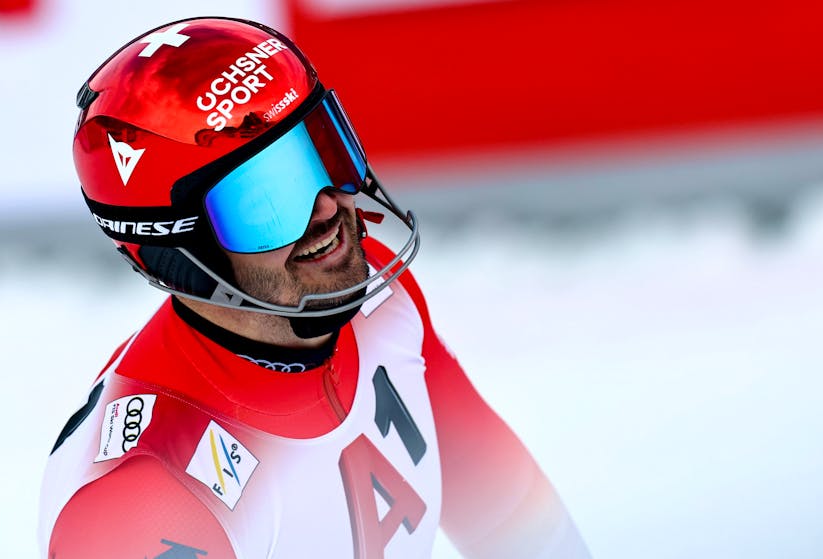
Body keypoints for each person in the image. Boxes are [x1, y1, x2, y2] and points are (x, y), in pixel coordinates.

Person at [38, 17, 591, 559]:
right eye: (266, 202)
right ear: (178, 253)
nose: (327, 208)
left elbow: (515, 522)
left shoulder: (379, 298)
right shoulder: (140, 502)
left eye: (324, 152)